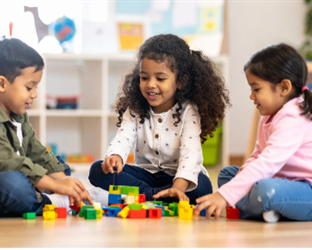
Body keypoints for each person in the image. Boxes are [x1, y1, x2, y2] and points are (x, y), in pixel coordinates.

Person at [88, 34, 230, 204]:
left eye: (160, 78)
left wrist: (178, 187)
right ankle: (156, 196)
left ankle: (144, 197)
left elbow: (191, 153)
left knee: (202, 186)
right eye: (144, 77)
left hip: (179, 178)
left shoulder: (189, 111)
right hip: (146, 176)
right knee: (98, 170)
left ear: (181, 81)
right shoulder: (135, 108)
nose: (150, 84)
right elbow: (123, 137)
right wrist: (115, 156)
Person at [195, 43, 312, 222]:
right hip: (278, 180)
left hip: (305, 190)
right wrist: (247, 167)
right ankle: (270, 210)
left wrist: (224, 196)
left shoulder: (293, 118)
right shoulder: (270, 116)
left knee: (265, 190)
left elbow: (267, 163)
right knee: (228, 174)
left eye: (256, 89)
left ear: (284, 87)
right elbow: (259, 153)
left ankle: (255, 207)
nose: (252, 96)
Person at [0, 37, 92, 217]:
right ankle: (50, 202)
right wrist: (55, 185)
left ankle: (39, 197)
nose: (35, 94)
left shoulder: (18, 113)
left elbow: (37, 152)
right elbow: (8, 163)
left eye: (36, 87)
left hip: (19, 175)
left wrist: (65, 181)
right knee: (13, 183)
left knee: (60, 166)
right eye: (29, 87)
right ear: (1, 84)